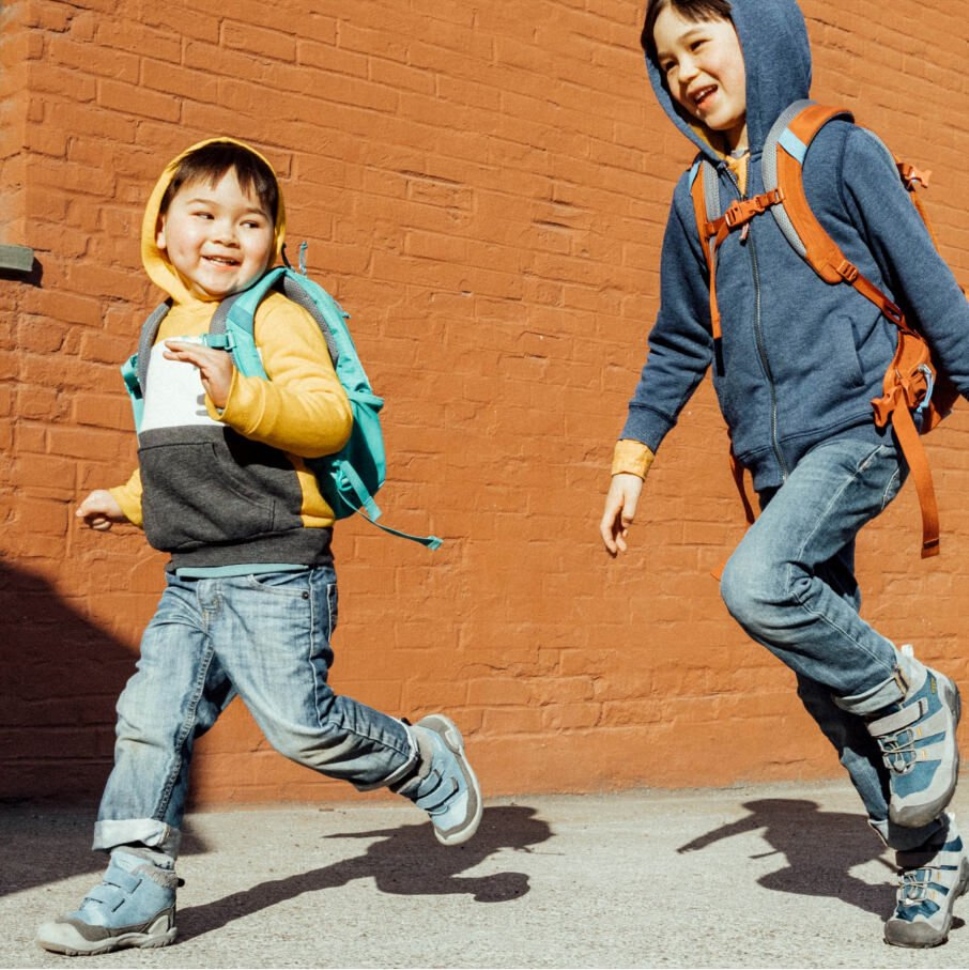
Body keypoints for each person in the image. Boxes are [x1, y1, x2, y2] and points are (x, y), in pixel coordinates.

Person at [36, 138, 481, 956]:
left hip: (276, 568)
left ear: (272, 238)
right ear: (161, 227)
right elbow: (177, 452)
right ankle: (138, 885)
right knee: (148, 721)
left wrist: (238, 390)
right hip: (190, 576)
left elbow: (325, 418)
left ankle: (419, 756)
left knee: (302, 727)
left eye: (248, 221)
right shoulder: (158, 329)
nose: (224, 235)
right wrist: (126, 500)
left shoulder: (272, 315)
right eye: (203, 214)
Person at [600, 0, 969, 948]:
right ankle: (927, 857)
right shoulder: (694, 198)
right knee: (819, 680)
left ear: (757, 34)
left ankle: (913, 698)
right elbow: (678, 340)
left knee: (758, 583)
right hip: (773, 462)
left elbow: (932, 289)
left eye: (698, 42)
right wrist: (633, 458)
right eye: (666, 61)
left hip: (862, 429)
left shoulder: (836, 151)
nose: (685, 71)